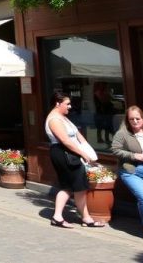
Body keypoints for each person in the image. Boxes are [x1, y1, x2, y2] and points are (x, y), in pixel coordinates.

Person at [46, 90, 102, 228]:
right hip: (64, 153)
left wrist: (88, 151)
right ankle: (84, 218)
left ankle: (59, 217)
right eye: (67, 104)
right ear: (57, 103)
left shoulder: (63, 117)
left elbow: (77, 135)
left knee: (72, 186)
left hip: (70, 153)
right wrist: (83, 154)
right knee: (76, 186)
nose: (70, 107)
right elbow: (65, 141)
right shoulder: (54, 119)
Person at [112, 105, 143, 243]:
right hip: (132, 171)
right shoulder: (122, 133)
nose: (135, 121)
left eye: (137, 118)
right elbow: (115, 150)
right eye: (131, 119)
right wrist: (134, 155)